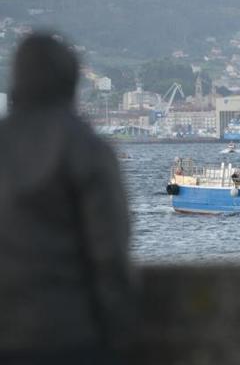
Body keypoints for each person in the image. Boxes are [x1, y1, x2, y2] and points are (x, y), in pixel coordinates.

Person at [0, 33, 137, 364]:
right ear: (70, 81)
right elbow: (110, 254)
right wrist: (120, 336)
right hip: (72, 336)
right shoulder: (87, 149)